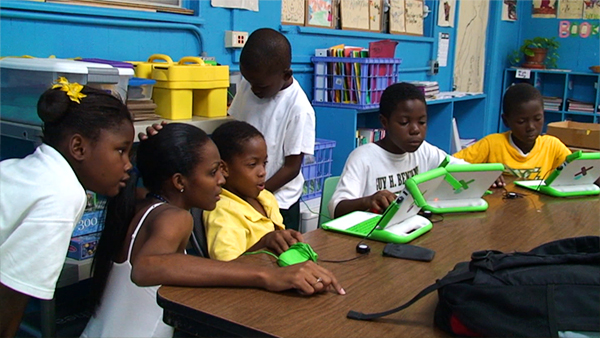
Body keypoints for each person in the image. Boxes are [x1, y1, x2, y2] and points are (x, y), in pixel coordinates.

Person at [83, 123, 344, 338]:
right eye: (212, 172)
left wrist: (155, 150)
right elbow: (146, 266)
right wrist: (266, 276)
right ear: (179, 182)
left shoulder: (142, 202)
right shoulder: (174, 217)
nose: (221, 179)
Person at [0, 78, 134, 338]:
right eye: (120, 151)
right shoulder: (62, 194)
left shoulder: (27, 170)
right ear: (78, 147)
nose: (128, 164)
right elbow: (9, 300)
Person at [329, 82, 467, 219]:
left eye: (422, 122)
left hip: (409, 227)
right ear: (384, 122)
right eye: (404, 123)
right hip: (373, 233)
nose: (415, 130)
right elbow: (336, 209)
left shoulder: (424, 150)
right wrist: (368, 200)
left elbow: (465, 170)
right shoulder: (363, 157)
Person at [228, 28, 316, 231]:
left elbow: (291, 168)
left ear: (286, 75)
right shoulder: (250, 84)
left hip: (277, 201)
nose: (253, 90)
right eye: (248, 82)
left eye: (260, 86)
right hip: (242, 194)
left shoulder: (299, 109)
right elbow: (235, 128)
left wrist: (257, 194)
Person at [204, 120, 304, 261]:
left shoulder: (266, 197)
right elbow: (226, 267)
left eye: (264, 163)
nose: (262, 172)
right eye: (252, 164)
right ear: (224, 169)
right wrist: (263, 243)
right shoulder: (222, 212)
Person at [453, 83, 571, 181]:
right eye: (521, 121)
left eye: (537, 119)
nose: (531, 127)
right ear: (506, 121)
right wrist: (484, 175)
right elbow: (451, 165)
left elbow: (577, 171)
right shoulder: (491, 144)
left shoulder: (552, 146)